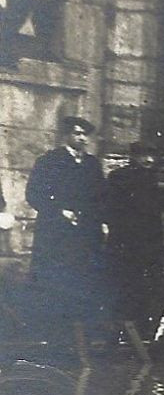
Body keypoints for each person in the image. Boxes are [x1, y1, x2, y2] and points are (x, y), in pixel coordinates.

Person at [25, 115, 108, 310]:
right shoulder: (50, 161)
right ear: (66, 136)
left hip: (86, 231)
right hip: (56, 231)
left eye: (85, 135)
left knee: (84, 278)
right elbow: (34, 194)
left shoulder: (92, 164)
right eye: (77, 133)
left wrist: (102, 221)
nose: (83, 139)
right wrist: (59, 212)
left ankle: (78, 322)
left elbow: (103, 195)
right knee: (54, 279)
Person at [102, 140, 164, 331]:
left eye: (152, 156)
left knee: (146, 285)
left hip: (149, 242)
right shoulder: (119, 177)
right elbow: (109, 208)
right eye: (143, 156)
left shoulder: (156, 179)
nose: (148, 160)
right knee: (123, 283)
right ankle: (120, 328)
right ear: (133, 157)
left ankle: (141, 328)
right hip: (125, 241)